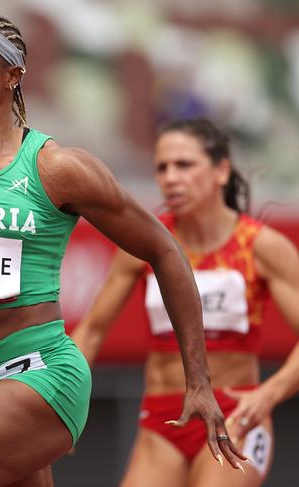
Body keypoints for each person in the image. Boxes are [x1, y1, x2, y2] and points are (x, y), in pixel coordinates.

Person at [0, 14, 245, 487]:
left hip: (41, 377)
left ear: (13, 76)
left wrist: (198, 380)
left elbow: (165, 251)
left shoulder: (56, 168)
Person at [71, 117, 299, 487]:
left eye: (184, 165)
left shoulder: (261, 246)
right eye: (162, 167)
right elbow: (93, 331)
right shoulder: (144, 244)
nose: (171, 177)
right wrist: (62, 400)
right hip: (163, 422)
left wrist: (267, 396)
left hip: (235, 416)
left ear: (221, 170)